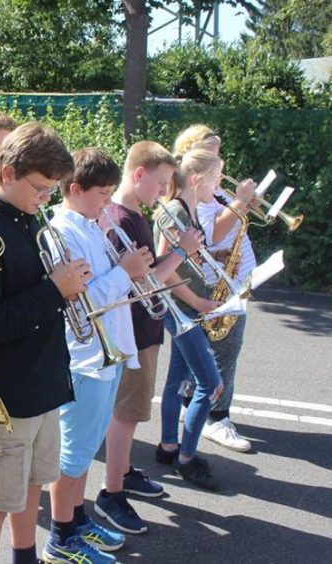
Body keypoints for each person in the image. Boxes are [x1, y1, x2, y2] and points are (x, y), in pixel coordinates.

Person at [0, 122, 86, 564]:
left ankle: (25, 556)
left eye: (51, 191)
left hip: (40, 383)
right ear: (7, 172)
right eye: (40, 188)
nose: (45, 198)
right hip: (4, 393)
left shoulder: (26, 218)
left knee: (31, 486)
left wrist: (62, 288)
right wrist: (54, 290)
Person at [44, 148, 154, 564]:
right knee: (71, 458)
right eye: (103, 195)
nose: (109, 202)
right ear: (75, 189)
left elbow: (111, 284)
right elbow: (85, 298)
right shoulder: (64, 230)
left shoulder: (91, 225)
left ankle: (74, 520)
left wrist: (130, 270)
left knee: (86, 450)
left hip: (107, 356)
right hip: (86, 359)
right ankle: (59, 537)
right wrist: (126, 271)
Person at [95, 141, 203, 534]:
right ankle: (112, 492)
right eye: (159, 183)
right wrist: (182, 252)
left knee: (133, 411)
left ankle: (123, 471)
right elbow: (140, 284)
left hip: (145, 329)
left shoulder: (134, 213)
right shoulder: (119, 219)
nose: (163, 192)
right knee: (127, 413)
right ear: (138, 174)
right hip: (133, 332)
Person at [172, 125, 257, 453]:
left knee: (221, 349)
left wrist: (242, 205)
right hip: (216, 283)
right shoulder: (195, 195)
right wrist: (239, 202)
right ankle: (215, 417)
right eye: (211, 153)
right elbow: (211, 233)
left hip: (233, 277)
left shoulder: (212, 189)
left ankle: (196, 403)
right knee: (224, 348)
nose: (218, 158)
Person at [153, 148, 227, 490]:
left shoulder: (189, 210)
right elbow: (163, 271)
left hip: (186, 307)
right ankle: (187, 457)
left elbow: (188, 260)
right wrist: (197, 299)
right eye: (216, 177)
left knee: (177, 379)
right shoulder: (174, 214)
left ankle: (169, 445)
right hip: (180, 308)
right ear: (196, 179)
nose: (220, 183)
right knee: (210, 384)